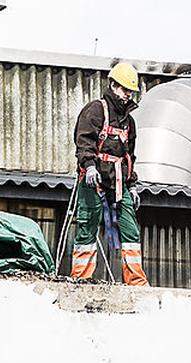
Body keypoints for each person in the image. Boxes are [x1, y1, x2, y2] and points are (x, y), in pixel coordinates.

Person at [71, 61, 148, 285]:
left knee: (130, 229)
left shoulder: (129, 122)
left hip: (119, 181)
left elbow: (129, 157)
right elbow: (83, 141)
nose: (127, 96)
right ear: (113, 85)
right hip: (93, 178)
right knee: (87, 226)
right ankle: (81, 278)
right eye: (124, 90)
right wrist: (89, 166)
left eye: (130, 92)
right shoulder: (95, 110)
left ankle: (135, 282)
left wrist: (132, 185)